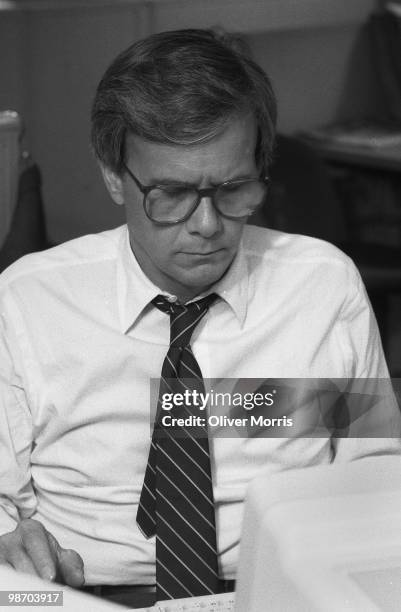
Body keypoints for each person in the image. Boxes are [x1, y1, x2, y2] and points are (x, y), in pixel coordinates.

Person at [0, 28, 400, 609]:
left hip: (278, 591)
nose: (208, 225)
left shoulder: (321, 286)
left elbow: (375, 479)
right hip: (92, 594)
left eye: (234, 188)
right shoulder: (29, 300)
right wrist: (12, 542)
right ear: (114, 175)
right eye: (172, 193)